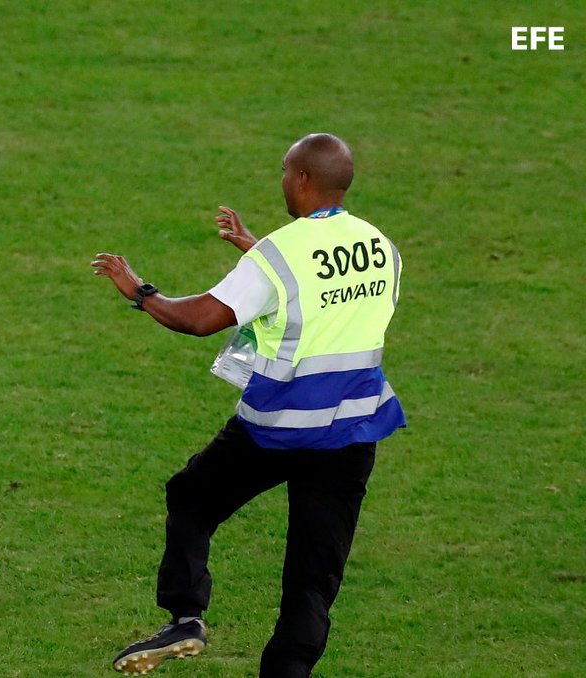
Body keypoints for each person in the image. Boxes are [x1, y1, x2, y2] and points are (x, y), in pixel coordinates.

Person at [93, 133, 406, 677]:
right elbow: (322, 287)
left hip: (278, 429)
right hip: (353, 433)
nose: (282, 180)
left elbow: (196, 319)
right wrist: (254, 251)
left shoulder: (279, 255)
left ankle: (186, 617)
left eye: (286, 171)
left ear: (303, 180)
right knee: (312, 579)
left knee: (191, 497)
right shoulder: (381, 246)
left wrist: (141, 291)